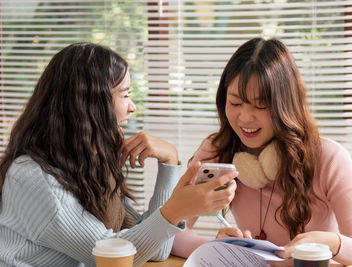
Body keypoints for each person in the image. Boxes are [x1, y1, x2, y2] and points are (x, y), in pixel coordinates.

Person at [0, 42, 237, 267]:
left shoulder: (85, 166)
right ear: (89, 104)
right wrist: (176, 209)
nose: (132, 106)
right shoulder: (32, 177)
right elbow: (115, 258)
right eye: (124, 94)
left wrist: (170, 160)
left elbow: (155, 251)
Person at [172, 38, 352, 265]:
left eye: (260, 105)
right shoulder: (218, 150)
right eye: (235, 103)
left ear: (285, 105)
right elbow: (171, 233)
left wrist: (332, 243)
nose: (245, 118)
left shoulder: (329, 158)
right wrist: (220, 248)